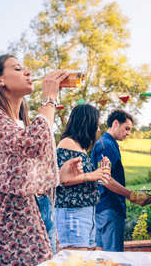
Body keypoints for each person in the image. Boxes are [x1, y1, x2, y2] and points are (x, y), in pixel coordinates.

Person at [0, 54, 83, 265]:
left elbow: (21, 176)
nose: (28, 72)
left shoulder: (21, 122)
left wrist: (59, 175)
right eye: (17, 68)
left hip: (41, 211)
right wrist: (49, 98)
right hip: (13, 218)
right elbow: (32, 144)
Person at [91, 110, 151, 252]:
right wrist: (132, 195)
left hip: (104, 208)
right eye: (126, 128)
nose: (128, 133)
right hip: (109, 208)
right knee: (113, 257)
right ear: (115, 123)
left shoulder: (107, 144)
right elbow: (106, 179)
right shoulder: (106, 145)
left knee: (102, 256)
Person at [55, 104, 111, 250]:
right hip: (73, 211)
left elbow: (81, 177)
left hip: (86, 210)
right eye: (96, 125)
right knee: (75, 257)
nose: (98, 130)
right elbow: (61, 180)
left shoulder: (80, 147)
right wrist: (92, 175)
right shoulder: (67, 143)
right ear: (87, 123)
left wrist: (101, 171)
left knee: (85, 256)